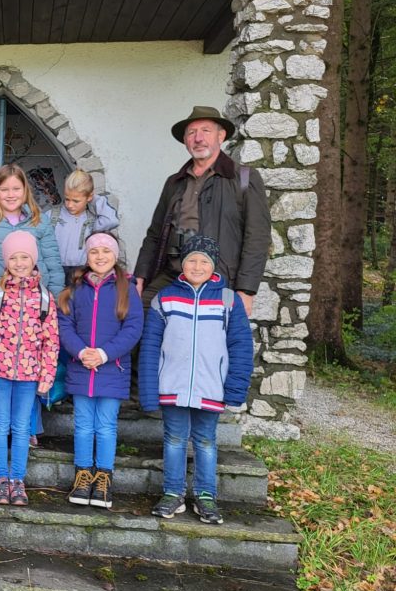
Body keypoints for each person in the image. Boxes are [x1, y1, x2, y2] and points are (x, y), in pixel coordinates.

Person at [140, 235, 254, 525]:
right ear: (182, 263)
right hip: (173, 384)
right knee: (175, 439)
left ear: (213, 266)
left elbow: (240, 345)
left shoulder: (228, 300)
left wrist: (235, 387)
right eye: (192, 259)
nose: (197, 265)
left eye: (204, 261)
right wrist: (149, 389)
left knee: (205, 441)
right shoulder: (164, 298)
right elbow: (151, 346)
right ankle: (173, 493)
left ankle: (206, 496)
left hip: (210, 386)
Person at [134, 106, 270, 316]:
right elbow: (154, 233)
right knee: (141, 315)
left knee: (218, 334)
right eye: (191, 133)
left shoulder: (244, 178)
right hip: (174, 274)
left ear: (221, 135)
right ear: (185, 141)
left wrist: (246, 290)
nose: (198, 138)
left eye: (206, 131)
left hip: (221, 279)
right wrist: (140, 277)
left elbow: (257, 237)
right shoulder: (174, 182)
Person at [0, 163, 63, 446]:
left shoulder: (39, 221)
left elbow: (52, 262)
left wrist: (55, 297)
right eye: (4, 189)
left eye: (16, 189)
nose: (10, 194)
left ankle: (28, 427)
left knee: (29, 365)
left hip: (33, 306)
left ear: (25, 191)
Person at [56, 233, 143, 509]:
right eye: (95, 252)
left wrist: (104, 354)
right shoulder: (76, 288)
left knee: (105, 426)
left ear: (115, 256)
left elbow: (133, 328)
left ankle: (103, 477)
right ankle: (83, 476)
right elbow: (64, 324)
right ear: (87, 256)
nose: (100, 257)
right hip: (81, 368)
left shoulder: (125, 289)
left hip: (111, 370)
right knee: (83, 425)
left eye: (106, 252)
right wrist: (82, 352)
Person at [0, 232, 60, 507]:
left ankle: (17, 480)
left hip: (29, 375)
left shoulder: (45, 298)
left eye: (24, 257)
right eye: (14, 257)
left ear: (33, 259)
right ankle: (0, 478)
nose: (19, 262)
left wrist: (47, 374)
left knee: (22, 427)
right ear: (6, 260)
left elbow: (51, 339)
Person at [53, 169, 120, 286]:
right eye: (67, 199)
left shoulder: (92, 221)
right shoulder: (52, 216)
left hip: (82, 272)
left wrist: (94, 199)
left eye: (76, 201)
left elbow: (111, 220)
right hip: (55, 271)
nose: (70, 205)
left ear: (89, 197)